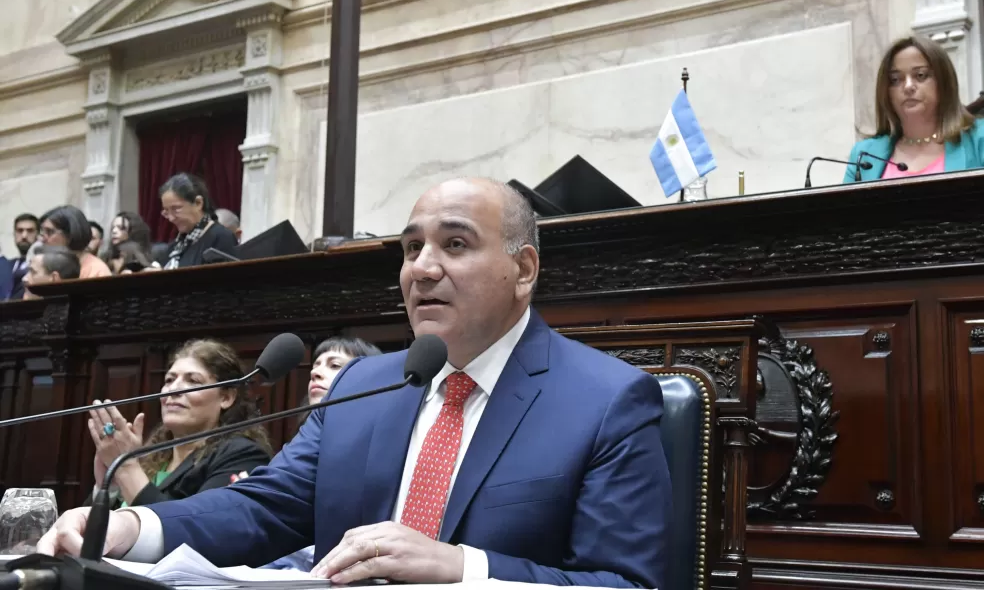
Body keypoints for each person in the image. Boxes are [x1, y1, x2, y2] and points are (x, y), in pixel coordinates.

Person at [39, 177, 671, 589]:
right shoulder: (365, 384)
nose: (422, 269)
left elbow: (630, 584)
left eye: (455, 244)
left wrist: (463, 568)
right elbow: (266, 505)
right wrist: (136, 529)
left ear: (523, 268)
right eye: (410, 247)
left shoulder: (606, 400)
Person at [86, 339, 273, 508]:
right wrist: (109, 487)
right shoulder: (147, 457)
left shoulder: (242, 456)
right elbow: (83, 536)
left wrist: (126, 469)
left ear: (226, 397)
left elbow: (192, 529)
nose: (173, 389)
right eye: (169, 380)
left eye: (193, 381)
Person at [258, 336, 384, 571]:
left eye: (334, 365)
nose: (316, 373)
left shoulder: (382, 441)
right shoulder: (305, 436)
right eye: (315, 366)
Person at [844, 35, 984, 182]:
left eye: (920, 76)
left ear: (943, 82)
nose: (908, 86)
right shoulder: (864, 155)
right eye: (895, 80)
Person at [158, 174, 238, 269]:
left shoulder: (221, 238)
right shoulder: (176, 245)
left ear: (198, 203)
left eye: (176, 209)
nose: (171, 218)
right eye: (166, 212)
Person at [39, 206, 111, 278]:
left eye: (49, 232)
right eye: (42, 232)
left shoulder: (97, 271)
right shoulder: (47, 264)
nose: (42, 239)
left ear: (70, 234)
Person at [7, 214, 37, 300]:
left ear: (38, 234)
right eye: (20, 231)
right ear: (14, 234)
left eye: (30, 231)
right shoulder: (7, 266)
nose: (24, 236)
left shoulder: (42, 266)